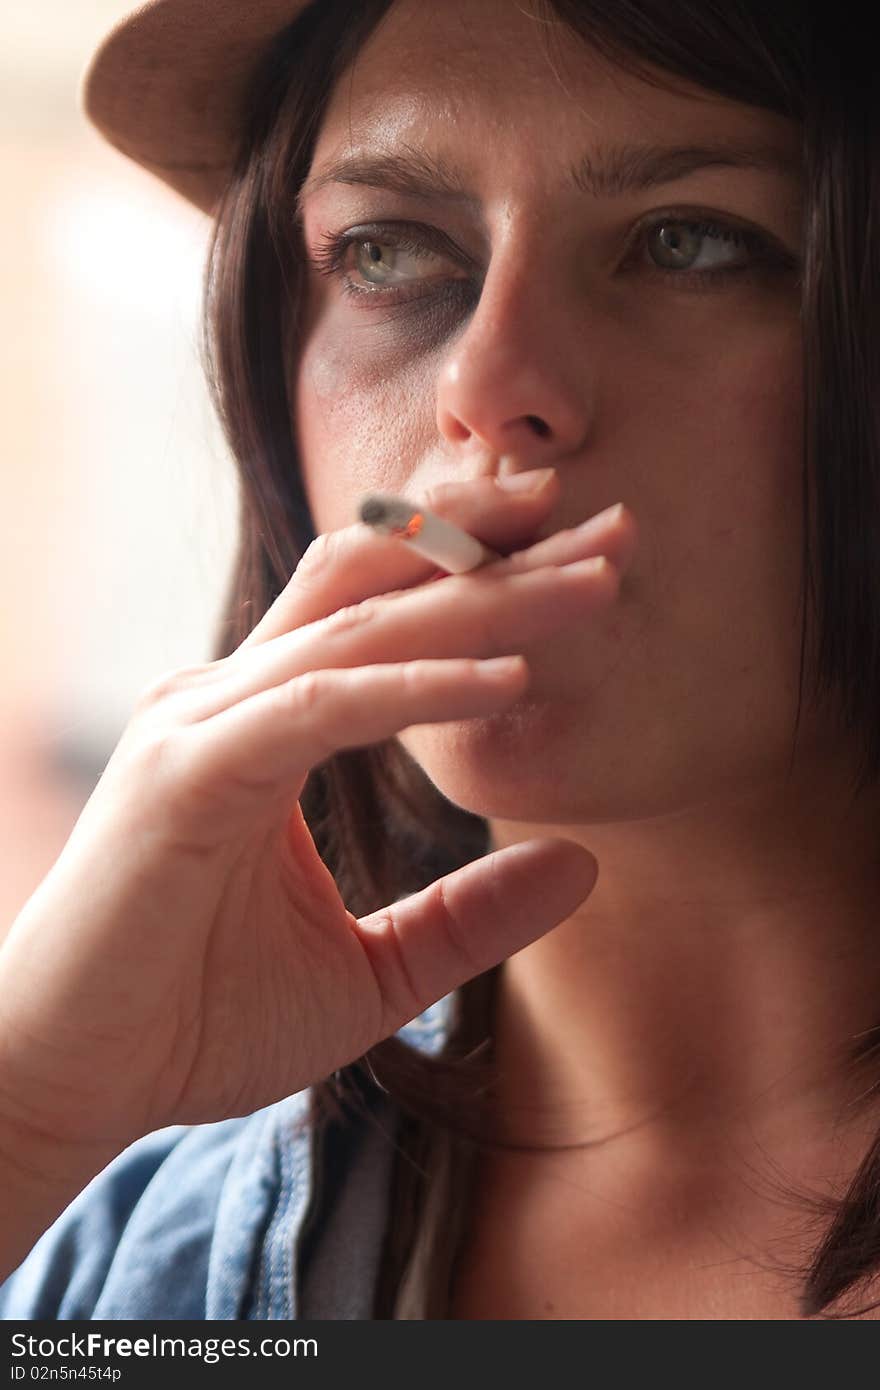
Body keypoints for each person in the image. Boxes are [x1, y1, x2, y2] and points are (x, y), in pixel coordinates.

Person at [0, 0, 878, 1321]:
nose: (492, 380)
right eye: (389, 250)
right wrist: (26, 1112)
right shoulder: (137, 1263)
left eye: (686, 244)